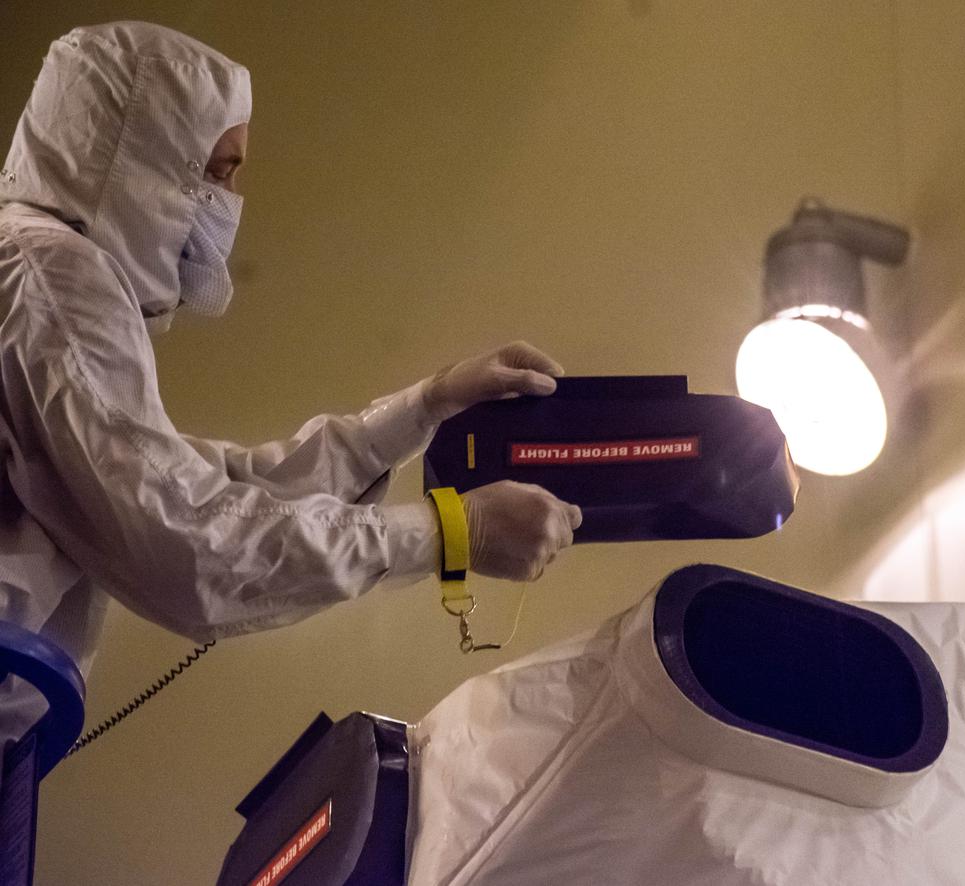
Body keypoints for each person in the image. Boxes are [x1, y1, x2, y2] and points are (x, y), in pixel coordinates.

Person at [0, 21, 581, 739]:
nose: (228, 202)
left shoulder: (33, 275)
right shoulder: (52, 274)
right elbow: (189, 538)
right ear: (132, 156)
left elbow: (200, 484)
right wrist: (453, 532)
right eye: (216, 173)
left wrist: (426, 405)